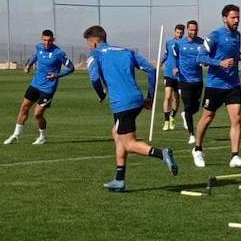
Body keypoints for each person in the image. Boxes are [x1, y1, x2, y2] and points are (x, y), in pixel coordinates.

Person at [83, 25, 178, 191]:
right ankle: (119, 179)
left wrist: (100, 94)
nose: (88, 47)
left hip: (122, 104)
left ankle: (162, 153)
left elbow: (94, 78)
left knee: (128, 143)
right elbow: (151, 70)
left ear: (94, 43)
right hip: (136, 99)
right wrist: (150, 97)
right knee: (116, 133)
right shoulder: (126, 51)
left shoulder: (95, 54)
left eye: (88, 44)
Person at [194, 4, 241, 168]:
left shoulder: (237, 36)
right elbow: (200, 58)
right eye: (233, 17)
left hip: (233, 84)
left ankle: (234, 156)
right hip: (215, 85)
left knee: (237, 119)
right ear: (225, 18)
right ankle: (197, 149)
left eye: (238, 17)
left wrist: (240, 57)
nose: (236, 20)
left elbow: (232, 56)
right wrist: (219, 63)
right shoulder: (215, 36)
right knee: (207, 117)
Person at [3, 29, 74, 145]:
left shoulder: (59, 53)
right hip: (35, 85)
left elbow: (71, 68)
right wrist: (28, 65)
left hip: (48, 88)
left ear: (53, 40)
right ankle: (15, 135)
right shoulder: (39, 47)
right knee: (24, 107)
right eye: (45, 40)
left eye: (49, 40)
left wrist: (57, 75)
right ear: (42, 39)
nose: (47, 43)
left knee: (38, 114)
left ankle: (43, 136)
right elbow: (34, 57)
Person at [172, 20, 207, 146]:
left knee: (196, 107)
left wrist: (205, 62)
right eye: (191, 30)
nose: (194, 32)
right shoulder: (180, 44)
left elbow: (206, 56)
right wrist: (175, 67)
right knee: (187, 106)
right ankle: (192, 134)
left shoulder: (202, 43)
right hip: (184, 80)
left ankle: (186, 115)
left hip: (198, 80)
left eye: (195, 30)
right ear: (187, 30)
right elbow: (175, 57)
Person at [159, 24, 185, 130]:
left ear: (183, 33)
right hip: (169, 73)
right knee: (167, 96)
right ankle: (166, 121)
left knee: (176, 98)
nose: (179, 34)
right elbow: (167, 54)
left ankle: (172, 117)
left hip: (179, 75)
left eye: (181, 33)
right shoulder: (169, 43)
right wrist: (161, 62)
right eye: (177, 32)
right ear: (174, 32)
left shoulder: (184, 44)